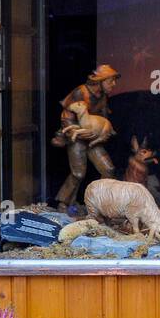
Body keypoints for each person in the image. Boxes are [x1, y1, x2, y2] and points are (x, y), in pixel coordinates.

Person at [52, 64, 119, 210]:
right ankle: (64, 203)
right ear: (100, 81)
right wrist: (72, 132)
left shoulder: (102, 96)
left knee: (108, 169)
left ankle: (103, 205)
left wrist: (102, 133)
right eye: (110, 81)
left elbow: (103, 119)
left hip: (93, 138)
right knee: (78, 173)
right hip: (77, 137)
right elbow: (66, 115)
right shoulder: (80, 92)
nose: (114, 84)